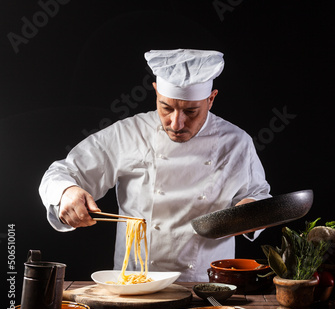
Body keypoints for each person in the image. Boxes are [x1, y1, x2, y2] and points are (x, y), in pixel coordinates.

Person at [39, 49, 272, 281]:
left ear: (211, 100)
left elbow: (258, 194)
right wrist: (66, 192)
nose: (176, 123)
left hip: (206, 282)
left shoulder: (236, 141)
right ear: (156, 92)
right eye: (166, 107)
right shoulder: (129, 133)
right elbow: (60, 173)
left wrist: (251, 210)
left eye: (191, 111)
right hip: (136, 281)